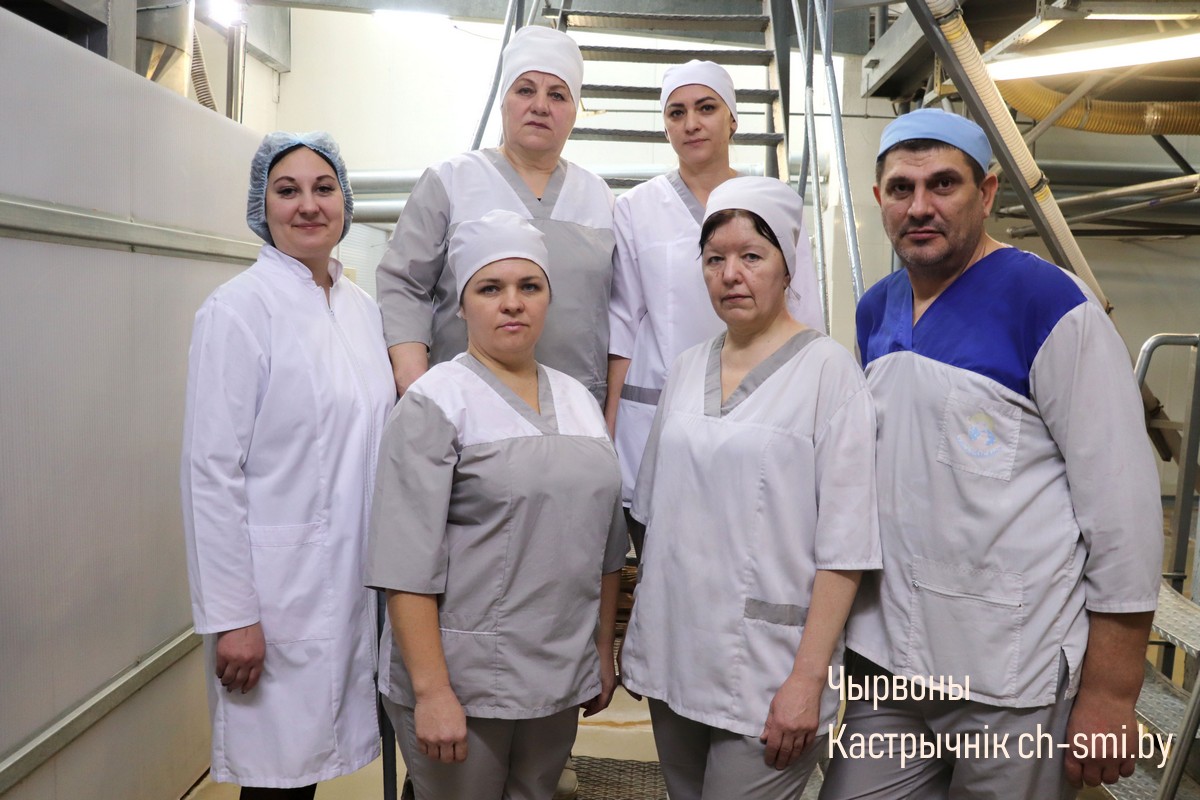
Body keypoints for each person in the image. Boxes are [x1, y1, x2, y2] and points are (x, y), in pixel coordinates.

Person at [819, 108, 1162, 800]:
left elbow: (1123, 510)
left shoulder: (1051, 305)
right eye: (901, 188)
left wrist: (1112, 691)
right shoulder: (874, 310)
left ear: (987, 192)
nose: (920, 206)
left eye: (943, 184)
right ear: (880, 197)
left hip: (1013, 671)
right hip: (888, 662)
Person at [620, 177, 881, 800]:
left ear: (787, 266)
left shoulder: (830, 374)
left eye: (751, 256)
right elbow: (655, 516)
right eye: (715, 259)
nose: (730, 275)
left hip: (769, 669)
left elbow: (846, 550)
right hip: (675, 655)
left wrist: (807, 680)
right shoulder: (687, 368)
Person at [366, 210, 628, 800]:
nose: (512, 303)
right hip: (463, 679)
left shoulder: (579, 401)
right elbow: (403, 565)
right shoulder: (435, 402)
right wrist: (432, 691)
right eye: (490, 288)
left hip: (558, 671)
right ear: (462, 305)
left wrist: (599, 651)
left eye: (529, 286)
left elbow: (607, 546)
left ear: (548, 298)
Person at [180, 131, 395, 798]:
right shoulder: (237, 310)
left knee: (319, 766)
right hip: (275, 598)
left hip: (354, 586)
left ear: (345, 202)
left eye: (323, 188)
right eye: (287, 190)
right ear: (262, 206)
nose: (308, 204)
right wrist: (233, 616)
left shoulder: (362, 311)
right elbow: (210, 474)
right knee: (278, 783)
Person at [605, 60, 825, 556]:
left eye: (706, 108)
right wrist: (610, 428)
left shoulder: (775, 205)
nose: (691, 123)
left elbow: (805, 311)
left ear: (733, 119)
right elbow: (622, 323)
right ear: (665, 126)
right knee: (661, 561)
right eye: (676, 113)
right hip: (656, 415)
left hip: (760, 411)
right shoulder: (636, 208)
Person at [377, 24, 614, 405]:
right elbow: (404, 284)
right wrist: (418, 385)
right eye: (525, 90)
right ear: (503, 101)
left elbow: (618, 311)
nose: (540, 106)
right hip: (465, 407)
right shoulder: (451, 180)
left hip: (576, 409)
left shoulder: (599, 197)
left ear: (574, 111)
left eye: (557, 94)